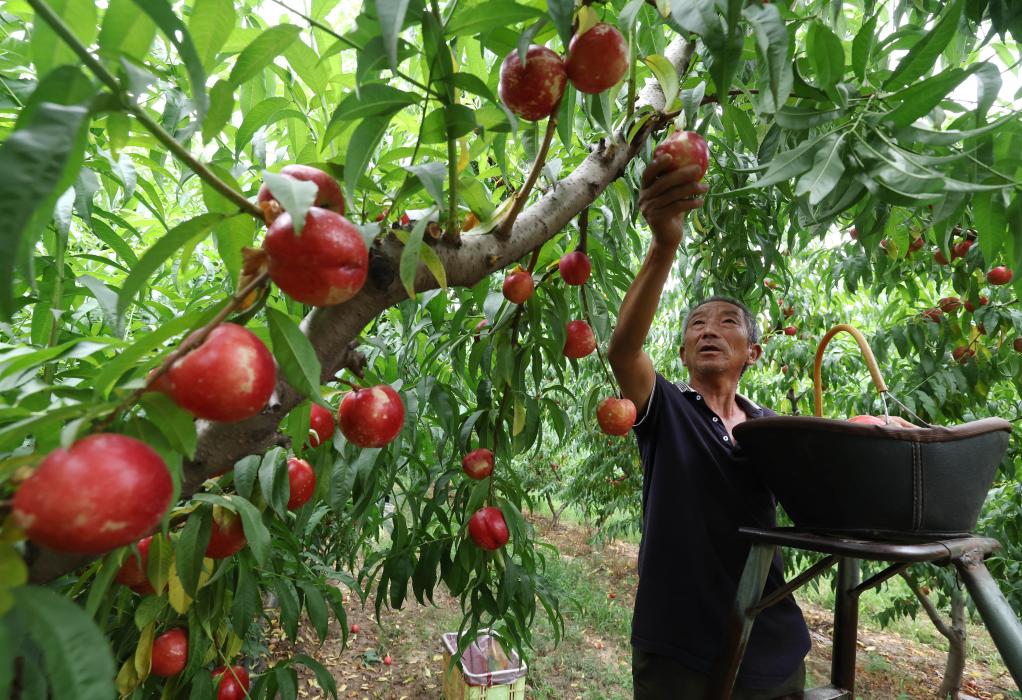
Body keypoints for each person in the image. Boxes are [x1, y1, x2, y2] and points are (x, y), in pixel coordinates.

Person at [607, 154, 810, 699]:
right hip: (678, 642)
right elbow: (623, 351)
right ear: (681, 350)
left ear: (754, 351)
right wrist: (663, 246)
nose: (709, 331)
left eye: (726, 323)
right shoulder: (666, 409)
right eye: (696, 324)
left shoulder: (771, 429)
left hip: (769, 636)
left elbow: (825, 493)